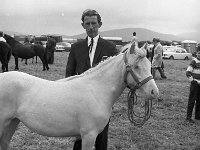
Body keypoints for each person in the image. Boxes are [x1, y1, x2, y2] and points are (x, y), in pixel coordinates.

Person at [65, 9, 118, 150]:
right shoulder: (76, 47)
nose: (91, 27)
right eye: (87, 23)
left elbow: (116, 77)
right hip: (80, 101)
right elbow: (69, 73)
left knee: (101, 138)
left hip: (101, 102)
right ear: (83, 25)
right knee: (80, 134)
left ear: (100, 24)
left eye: (93, 23)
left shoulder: (110, 48)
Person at [185, 51, 200, 123]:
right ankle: (188, 117)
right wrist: (192, 80)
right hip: (195, 84)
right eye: (199, 53)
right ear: (197, 53)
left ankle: (198, 116)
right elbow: (188, 72)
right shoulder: (194, 61)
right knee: (192, 100)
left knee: (199, 101)